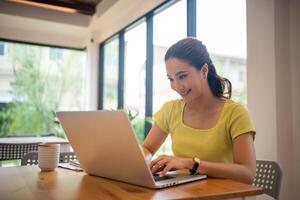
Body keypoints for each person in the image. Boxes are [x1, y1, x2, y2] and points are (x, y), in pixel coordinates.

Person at [142, 37, 256, 184]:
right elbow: (147, 149)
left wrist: (191, 163)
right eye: (171, 79)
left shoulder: (235, 114)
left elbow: (247, 174)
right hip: (184, 193)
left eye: (182, 76)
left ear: (204, 71)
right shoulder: (170, 110)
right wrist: (144, 162)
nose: (177, 86)